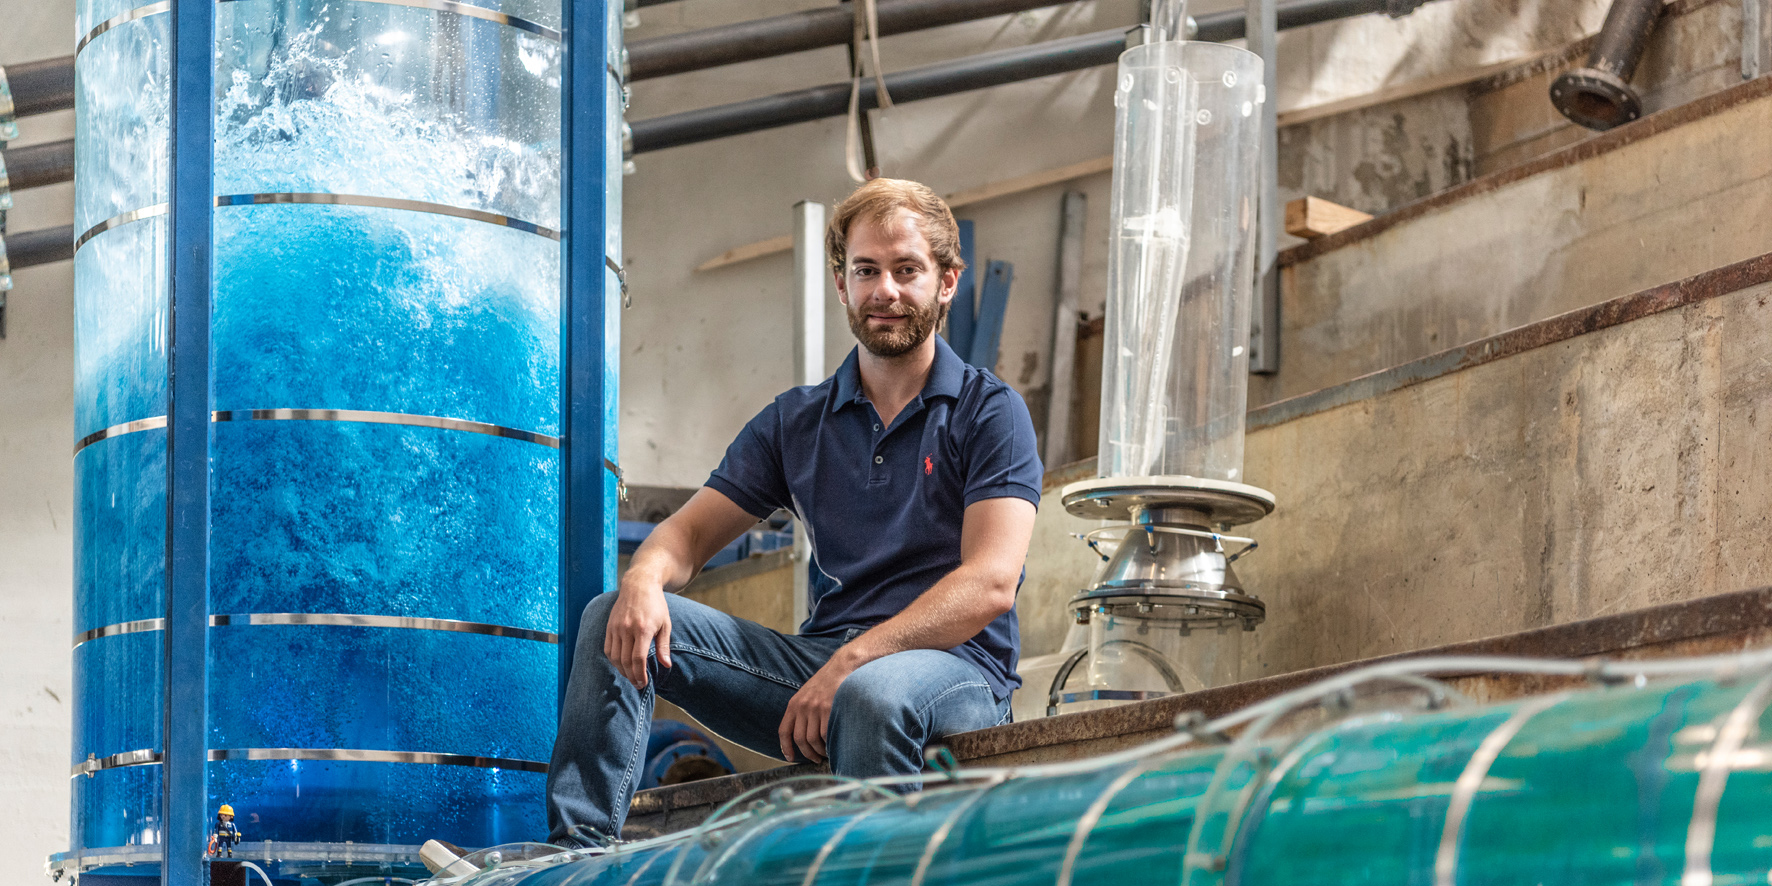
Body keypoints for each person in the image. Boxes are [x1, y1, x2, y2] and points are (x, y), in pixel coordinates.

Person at [545, 177, 1043, 847]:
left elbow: (989, 583)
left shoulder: (989, 412)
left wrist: (848, 667)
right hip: (826, 666)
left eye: (907, 271)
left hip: (955, 674)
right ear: (842, 283)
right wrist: (642, 580)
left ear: (947, 282)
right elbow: (687, 537)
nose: (885, 291)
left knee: (873, 693)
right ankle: (578, 855)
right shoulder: (797, 422)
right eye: (866, 270)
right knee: (612, 616)